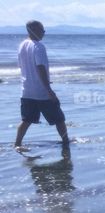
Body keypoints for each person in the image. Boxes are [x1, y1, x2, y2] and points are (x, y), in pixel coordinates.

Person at [14, 20, 69, 150]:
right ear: (34, 30)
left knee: (26, 120)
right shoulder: (38, 46)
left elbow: (23, 67)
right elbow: (40, 68)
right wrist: (49, 90)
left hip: (26, 90)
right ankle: (66, 141)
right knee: (59, 118)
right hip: (41, 92)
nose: (44, 33)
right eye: (42, 30)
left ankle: (17, 144)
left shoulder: (22, 45)